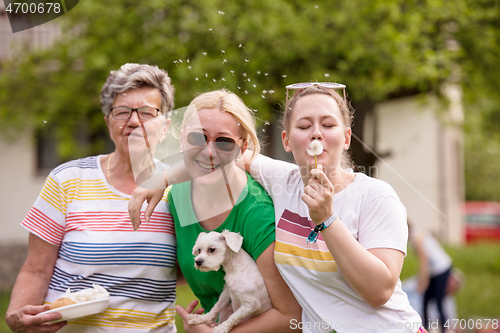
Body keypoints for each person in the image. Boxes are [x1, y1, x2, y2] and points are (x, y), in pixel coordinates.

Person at [129, 83, 425, 333]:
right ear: (286, 140)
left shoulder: (375, 196)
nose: (317, 134)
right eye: (304, 126)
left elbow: (379, 292)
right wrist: (162, 179)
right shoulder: (281, 179)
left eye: (329, 124)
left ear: (346, 138)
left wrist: (327, 220)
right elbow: (219, 156)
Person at [6, 63, 177, 333]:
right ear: (109, 124)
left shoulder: (179, 188)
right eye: (122, 112)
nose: (133, 121)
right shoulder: (67, 179)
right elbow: (36, 269)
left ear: (165, 126)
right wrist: (19, 315)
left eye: (146, 112)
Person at [132, 89, 301, 333]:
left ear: (242, 148)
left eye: (224, 142)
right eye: (197, 138)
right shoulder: (177, 196)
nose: (209, 152)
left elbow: (292, 317)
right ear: (181, 140)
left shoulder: (256, 212)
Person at [408, 221, 453, 333]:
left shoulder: (416, 236)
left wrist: (423, 281)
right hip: (435, 271)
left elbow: (424, 261)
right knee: (426, 302)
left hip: (441, 269)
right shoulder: (418, 231)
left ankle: (444, 330)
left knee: (438, 302)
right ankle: (426, 329)